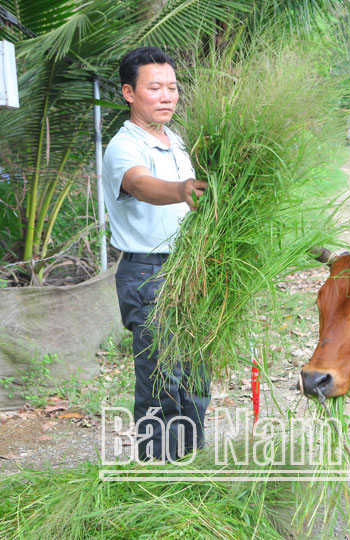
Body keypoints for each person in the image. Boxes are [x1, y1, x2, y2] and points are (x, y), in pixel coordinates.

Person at [102, 46, 209, 462]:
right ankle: (158, 474)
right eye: (155, 88)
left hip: (189, 269)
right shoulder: (124, 147)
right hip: (149, 273)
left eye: (172, 87)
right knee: (162, 379)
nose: (167, 96)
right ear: (130, 93)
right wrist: (181, 190)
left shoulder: (178, 141)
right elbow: (142, 185)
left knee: (197, 374)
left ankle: (191, 461)